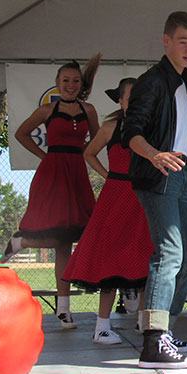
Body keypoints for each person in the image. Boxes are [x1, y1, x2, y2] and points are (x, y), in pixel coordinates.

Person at [122, 11, 187, 369]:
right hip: (158, 175)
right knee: (169, 254)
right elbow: (129, 132)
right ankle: (153, 342)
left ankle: (164, 331)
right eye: (183, 41)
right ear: (166, 41)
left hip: (182, 177)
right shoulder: (153, 81)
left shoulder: (186, 84)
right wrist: (155, 155)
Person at [3, 54, 101, 330]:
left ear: (81, 83)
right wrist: (44, 156)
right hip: (53, 174)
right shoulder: (48, 110)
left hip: (77, 173)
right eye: (65, 80)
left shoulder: (89, 110)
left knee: (70, 242)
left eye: (75, 80)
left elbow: (96, 141)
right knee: (58, 239)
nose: (70, 85)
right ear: (57, 83)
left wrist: (83, 156)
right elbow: (21, 134)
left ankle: (64, 309)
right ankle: (21, 244)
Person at [62, 78, 151, 344]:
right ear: (121, 100)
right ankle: (102, 327)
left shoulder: (152, 127)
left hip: (144, 196)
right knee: (110, 259)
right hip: (116, 196)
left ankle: (145, 324)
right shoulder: (111, 127)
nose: (135, 101)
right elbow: (89, 154)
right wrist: (110, 175)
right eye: (131, 96)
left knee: (147, 257)